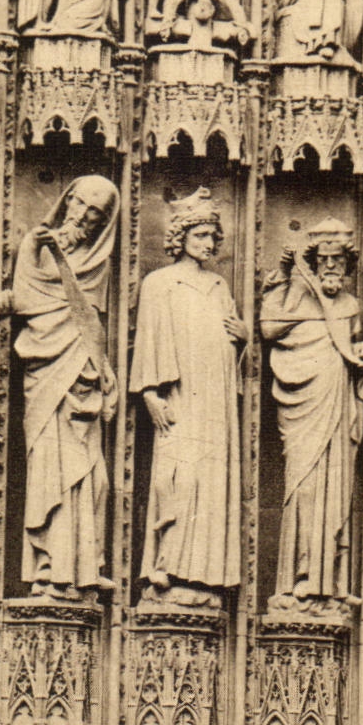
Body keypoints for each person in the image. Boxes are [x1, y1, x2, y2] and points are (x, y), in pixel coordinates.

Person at [1, 175, 120, 599]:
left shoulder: (97, 261)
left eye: (95, 215)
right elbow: (29, 303)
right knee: (52, 470)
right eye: (81, 205)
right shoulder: (35, 244)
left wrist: (103, 367)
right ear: (67, 200)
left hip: (83, 372)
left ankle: (86, 566)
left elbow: (92, 321)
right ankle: (51, 569)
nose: (84, 218)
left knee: (96, 479)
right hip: (47, 372)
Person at [131, 189, 246, 603]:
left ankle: (203, 576)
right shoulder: (159, 283)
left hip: (214, 399)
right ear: (180, 237)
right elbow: (147, 339)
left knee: (211, 484)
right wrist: (148, 392)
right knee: (176, 479)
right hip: (180, 395)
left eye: (213, 236)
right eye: (200, 234)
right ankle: (165, 567)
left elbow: (231, 339)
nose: (209, 243)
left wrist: (244, 339)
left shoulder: (218, 284)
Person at [260, 218, 363, 610]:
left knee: (338, 493)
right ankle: (299, 578)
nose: (331, 267)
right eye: (323, 260)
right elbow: (269, 330)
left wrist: (362, 353)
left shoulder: (350, 305)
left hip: (337, 404)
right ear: (312, 262)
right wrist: (291, 281)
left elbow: (352, 348)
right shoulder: (293, 295)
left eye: (338, 261)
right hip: (302, 407)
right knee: (304, 488)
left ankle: (334, 583)